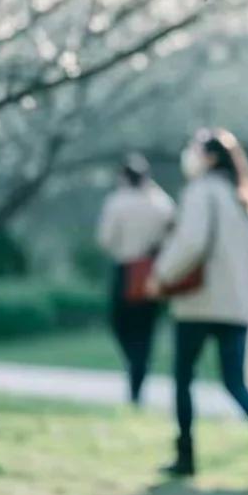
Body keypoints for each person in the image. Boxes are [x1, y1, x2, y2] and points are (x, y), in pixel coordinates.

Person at [148, 128, 248, 480]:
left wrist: (160, 275)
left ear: (208, 157)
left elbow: (190, 244)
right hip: (239, 305)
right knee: (235, 381)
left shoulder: (201, 192)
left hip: (199, 303)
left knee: (183, 379)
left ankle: (186, 456)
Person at [97, 153, 174, 405]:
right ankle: (138, 376)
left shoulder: (117, 202)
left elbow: (105, 240)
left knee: (120, 324)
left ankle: (134, 365)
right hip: (155, 271)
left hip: (127, 269)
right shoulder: (161, 202)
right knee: (146, 330)